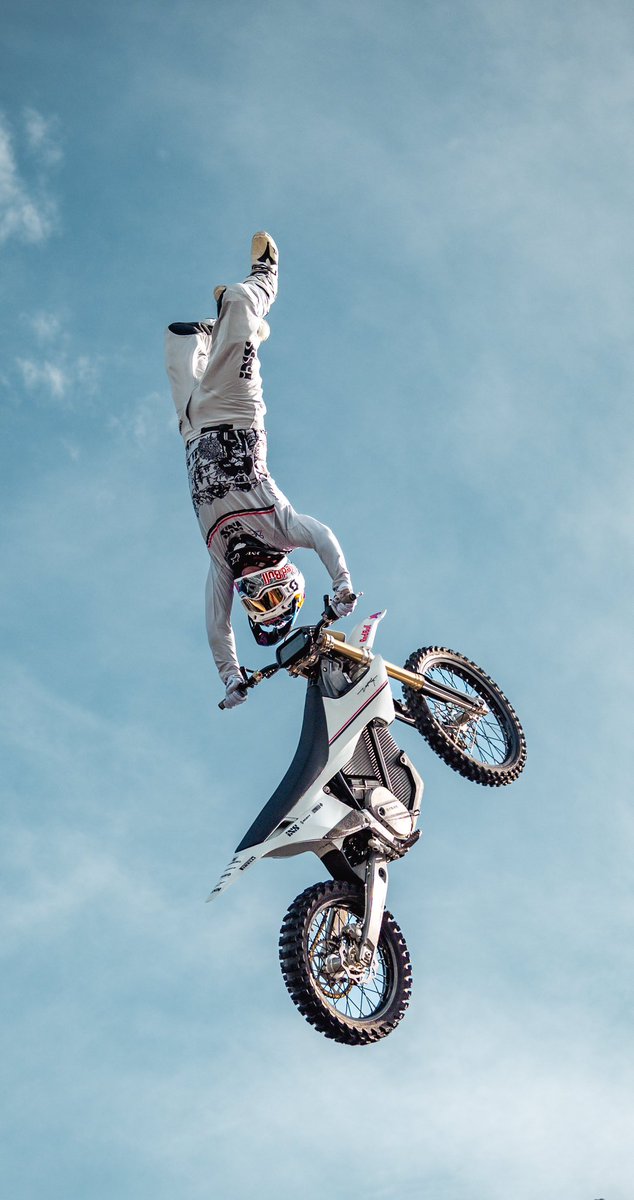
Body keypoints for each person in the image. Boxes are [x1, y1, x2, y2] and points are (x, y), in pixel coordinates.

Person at [165, 232, 357, 710]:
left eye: (259, 607)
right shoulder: (283, 531)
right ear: (289, 582)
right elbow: (323, 535)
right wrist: (342, 585)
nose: (262, 598)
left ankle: (216, 336)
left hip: (193, 428)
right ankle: (266, 277)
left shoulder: (224, 566)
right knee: (238, 304)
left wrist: (231, 677)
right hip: (236, 410)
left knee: (179, 339)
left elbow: (216, 626)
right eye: (276, 602)